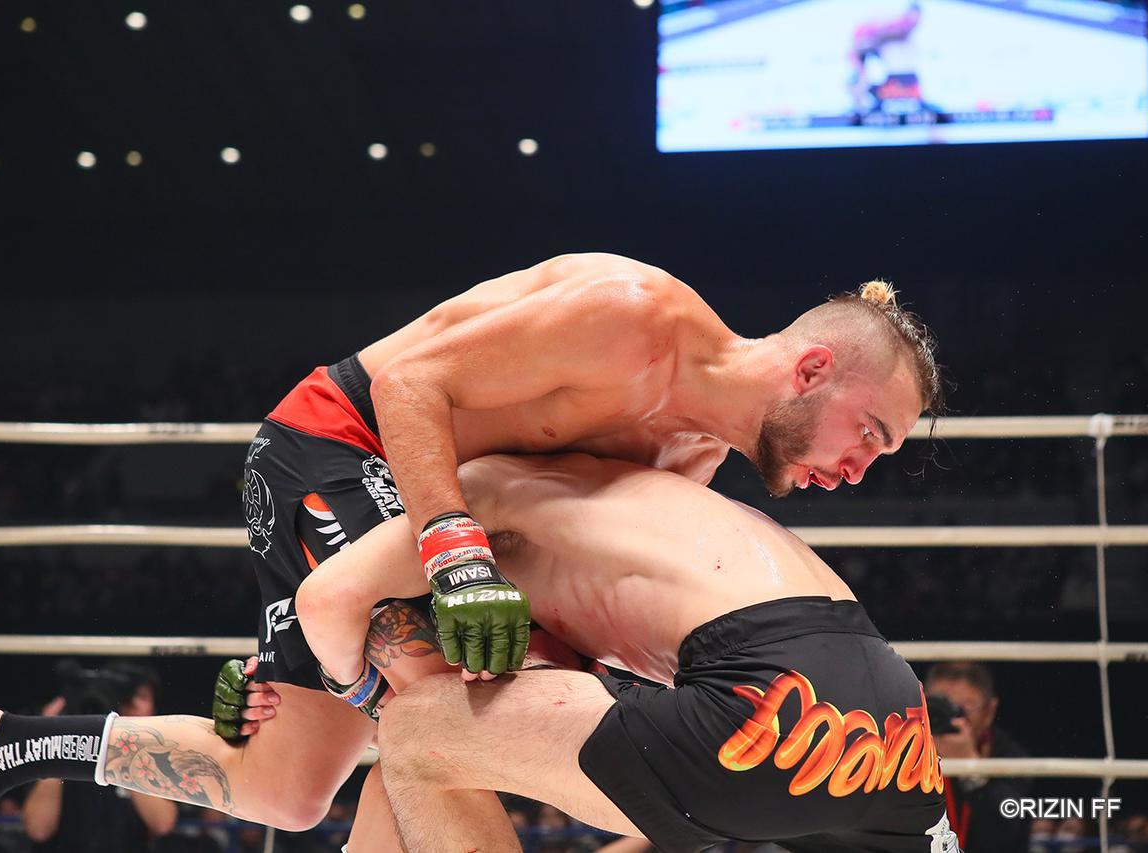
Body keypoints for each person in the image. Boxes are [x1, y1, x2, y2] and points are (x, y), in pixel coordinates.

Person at [215, 253, 939, 830]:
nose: (857, 471)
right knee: (449, 713)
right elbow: (407, 384)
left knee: (288, 790)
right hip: (349, 441)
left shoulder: (695, 458)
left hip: (455, 503)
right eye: (868, 433)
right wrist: (456, 560)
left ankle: (144, 731)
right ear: (812, 369)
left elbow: (556, 562)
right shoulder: (633, 318)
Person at [298, 453, 957, 852]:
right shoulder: (659, 480)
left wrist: (366, 695)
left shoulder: (479, 499)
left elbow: (326, 600)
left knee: (417, 734)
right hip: (892, 714)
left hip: (770, 704)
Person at [22, 664, 177, 853]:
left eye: (142, 698)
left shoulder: (155, 756)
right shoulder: (66, 752)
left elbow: (162, 823)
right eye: (126, 699)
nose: (133, 705)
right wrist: (56, 742)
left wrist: (125, 745)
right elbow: (38, 830)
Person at [925, 661, 1030, 853]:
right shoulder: (902, 749)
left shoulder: (1009, 756)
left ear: (989, 712)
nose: (952, 717)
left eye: (965, 707)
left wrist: (971, 769)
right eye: (940, 705)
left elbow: (1007, 835)